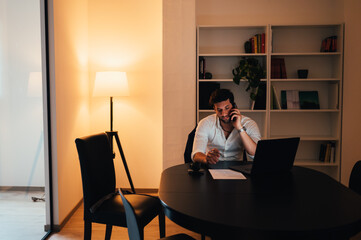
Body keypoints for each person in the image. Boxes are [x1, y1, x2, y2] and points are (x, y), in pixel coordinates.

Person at [192, 89, 261, 164]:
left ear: (234, 106)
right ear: (214, 109)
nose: (224, 114)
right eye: (219, 110)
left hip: (237, 168)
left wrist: (239, 128)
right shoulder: (205, 123)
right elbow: (196, 154)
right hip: (211, 167)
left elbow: (254, 153)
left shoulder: (249, 124)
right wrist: (206, 159)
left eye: (227, 108)